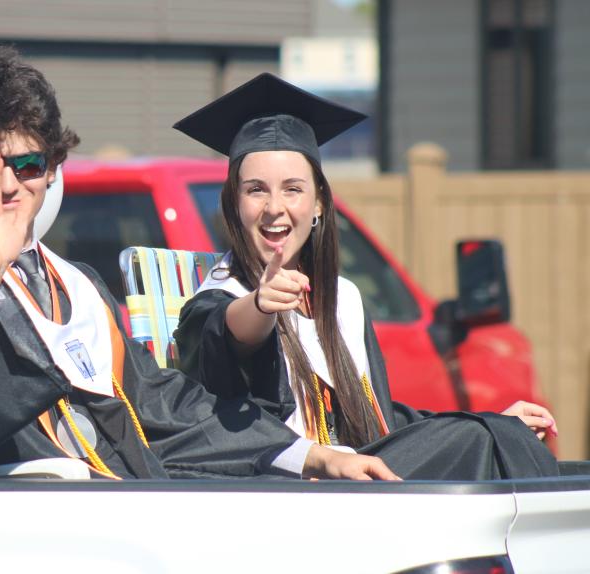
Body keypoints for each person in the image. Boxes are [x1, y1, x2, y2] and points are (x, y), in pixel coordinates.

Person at [0, 45, 328, 479]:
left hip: (126, 501)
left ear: (51, 170)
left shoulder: (77, 284)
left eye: (26, 164)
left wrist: (300, 454)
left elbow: (163, 407)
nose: (7, 185)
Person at [172, 72, 559, 480]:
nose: (274, 207)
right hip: (284, 489)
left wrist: (492, 424)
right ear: (234, 204)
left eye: (292, 189)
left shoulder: (343, 299)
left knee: (485, 439)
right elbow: (222, 332)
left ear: (319, 203)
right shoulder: (221, 296)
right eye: (255, 190)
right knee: (479, 443)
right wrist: (260, 304)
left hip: (358, 482)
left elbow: (381, 420)